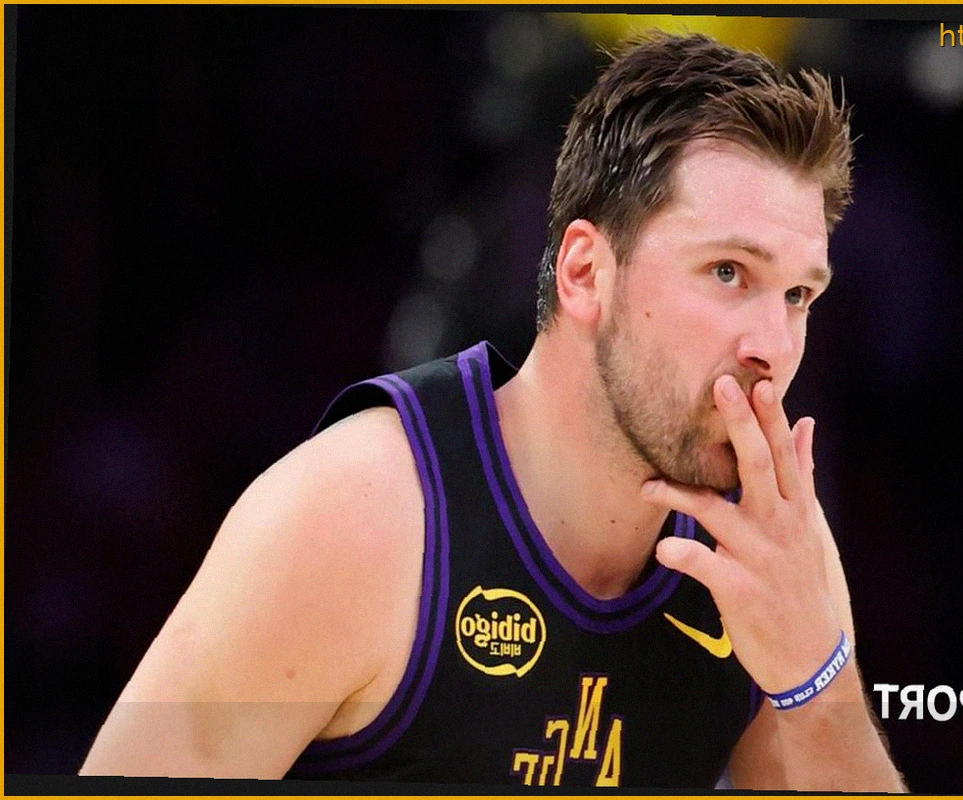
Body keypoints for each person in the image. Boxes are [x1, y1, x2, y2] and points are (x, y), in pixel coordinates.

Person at [80, 32, 906, 790]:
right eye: (728, 273)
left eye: (798, 295)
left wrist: (817, 681)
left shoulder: (771, 553)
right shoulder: (355, 516)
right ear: (585, 273)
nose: (774, 345)